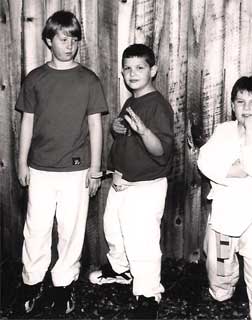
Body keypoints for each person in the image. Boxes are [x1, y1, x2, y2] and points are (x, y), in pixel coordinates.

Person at [15, 10, 108, 315]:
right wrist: (21, 162)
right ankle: (31, 283)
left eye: (75, 38)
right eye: (63, 38)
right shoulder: (35, 79)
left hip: (76, 170)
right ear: (48, 40)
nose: (70, 44)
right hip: (40, 167)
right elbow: (27, 122)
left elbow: (96, 126)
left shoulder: (88, 80)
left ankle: (63, 287)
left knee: (71, 230)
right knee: (37, 229)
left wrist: (95, 170)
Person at [88, 44, 174, 319]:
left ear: (153, 70)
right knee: (113, 229)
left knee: (142, 240)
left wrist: (144, 131)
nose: (132, 73)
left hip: (145, 187)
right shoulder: (131, 102)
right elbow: (127, 138)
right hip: (121, 182)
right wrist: (117, 129)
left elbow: (161, 150)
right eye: (127, 68)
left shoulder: (158, 105)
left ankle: (148, 293)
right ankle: (122, 270)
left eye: (139, 67)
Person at [197, 75, 252, 320]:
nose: (246, 109)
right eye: (240, 102)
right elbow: (205, 162)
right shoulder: (223, 131)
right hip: (224, 214)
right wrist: (233, 170)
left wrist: (251, 137)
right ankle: (221, 294)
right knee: (218, 267)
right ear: (232, 105)